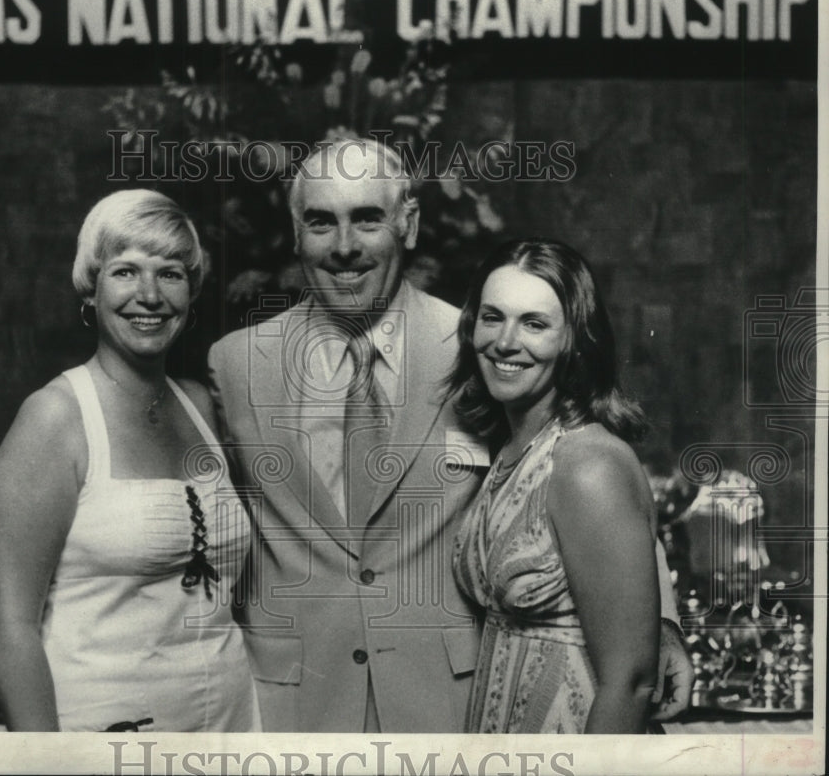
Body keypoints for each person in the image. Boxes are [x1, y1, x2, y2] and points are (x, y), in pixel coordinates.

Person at [208, 138, 691, 732]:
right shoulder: (234, 366)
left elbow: (589, 466)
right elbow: (198, 526)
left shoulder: (479, 345)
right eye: (320, 222)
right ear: (295, 233)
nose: (344, 247)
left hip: (450, 706)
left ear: (407, 224)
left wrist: (658, 623)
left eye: (367, 218)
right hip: (296, 705)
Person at [0, 189, 260, 732]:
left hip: (231, 726)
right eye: (126, 272)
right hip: (105, 738)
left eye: (171, 274)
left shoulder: (201, 406)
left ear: (192, 291)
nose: (150, 295)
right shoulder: (54, 419)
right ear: (91, 288)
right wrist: (46, 767)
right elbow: (6, 623)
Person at [448, 238, 662, 733]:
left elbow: (631, 681)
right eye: (492, 317)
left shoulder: (587, 466)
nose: (505, 342)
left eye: (535, 323)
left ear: (573, 340)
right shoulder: (510, 446)